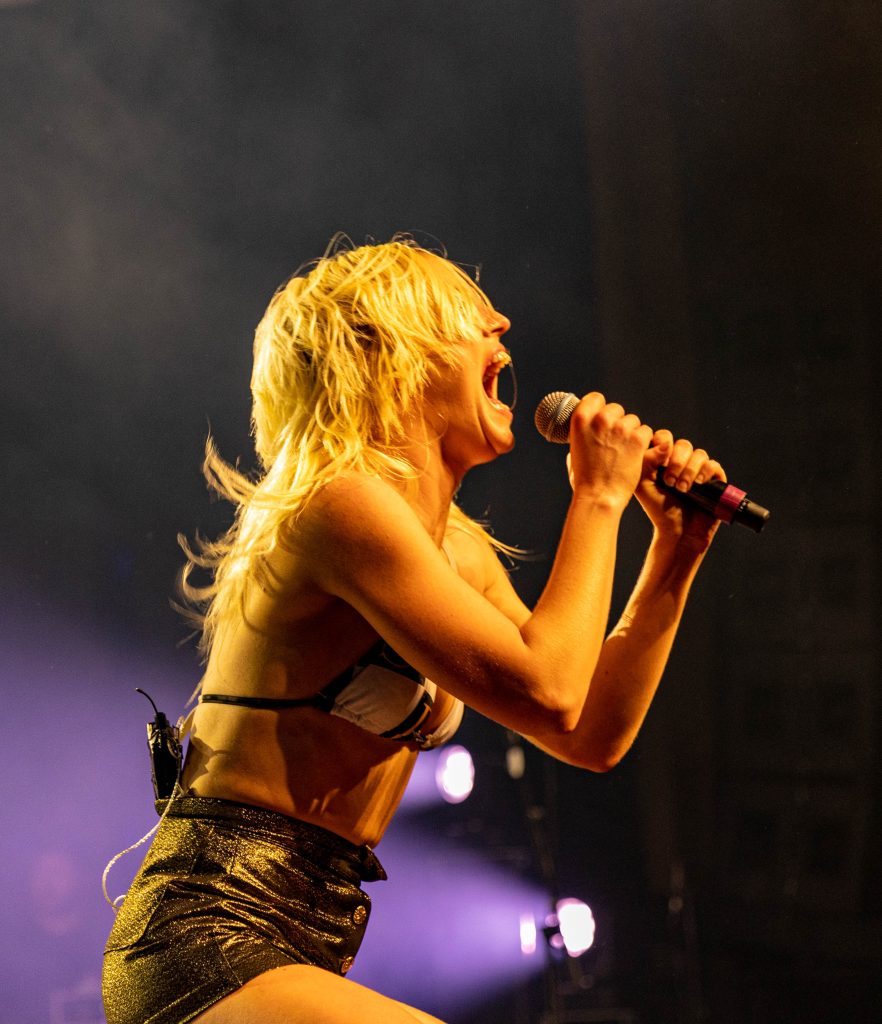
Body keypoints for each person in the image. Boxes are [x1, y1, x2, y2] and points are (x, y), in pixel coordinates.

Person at [102, 237, 725, 1024]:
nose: (501, 323)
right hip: (205, 935)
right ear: (394, 355)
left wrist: (676, 552)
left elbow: (587, 731)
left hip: (305, 945)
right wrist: (599, 498)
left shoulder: (458, 550)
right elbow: (551, 689)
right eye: (468, 312)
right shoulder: (340, 507)